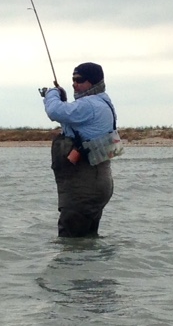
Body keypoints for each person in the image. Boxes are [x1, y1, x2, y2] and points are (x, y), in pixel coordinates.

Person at [41, 62, 119, 237]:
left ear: (92, 83)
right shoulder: (103, 102)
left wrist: (51, 93)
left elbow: (54, 111)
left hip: (84, 188)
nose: (74, 84)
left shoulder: (89, 105)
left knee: (71, 245)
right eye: (73, 80)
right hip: (98, 184)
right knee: (88, 242)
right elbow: (70, 121)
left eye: (79, 80)